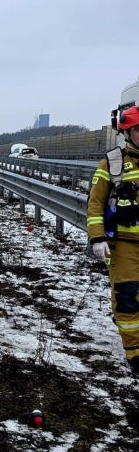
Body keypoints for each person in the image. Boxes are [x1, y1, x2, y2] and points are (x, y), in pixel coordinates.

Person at [88, 105, 139, 372]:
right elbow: (95, 204)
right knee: (128, 296)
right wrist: (97, 238)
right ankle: (134, 351)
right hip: (124, 246)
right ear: (127, 132)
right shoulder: (113, 162)